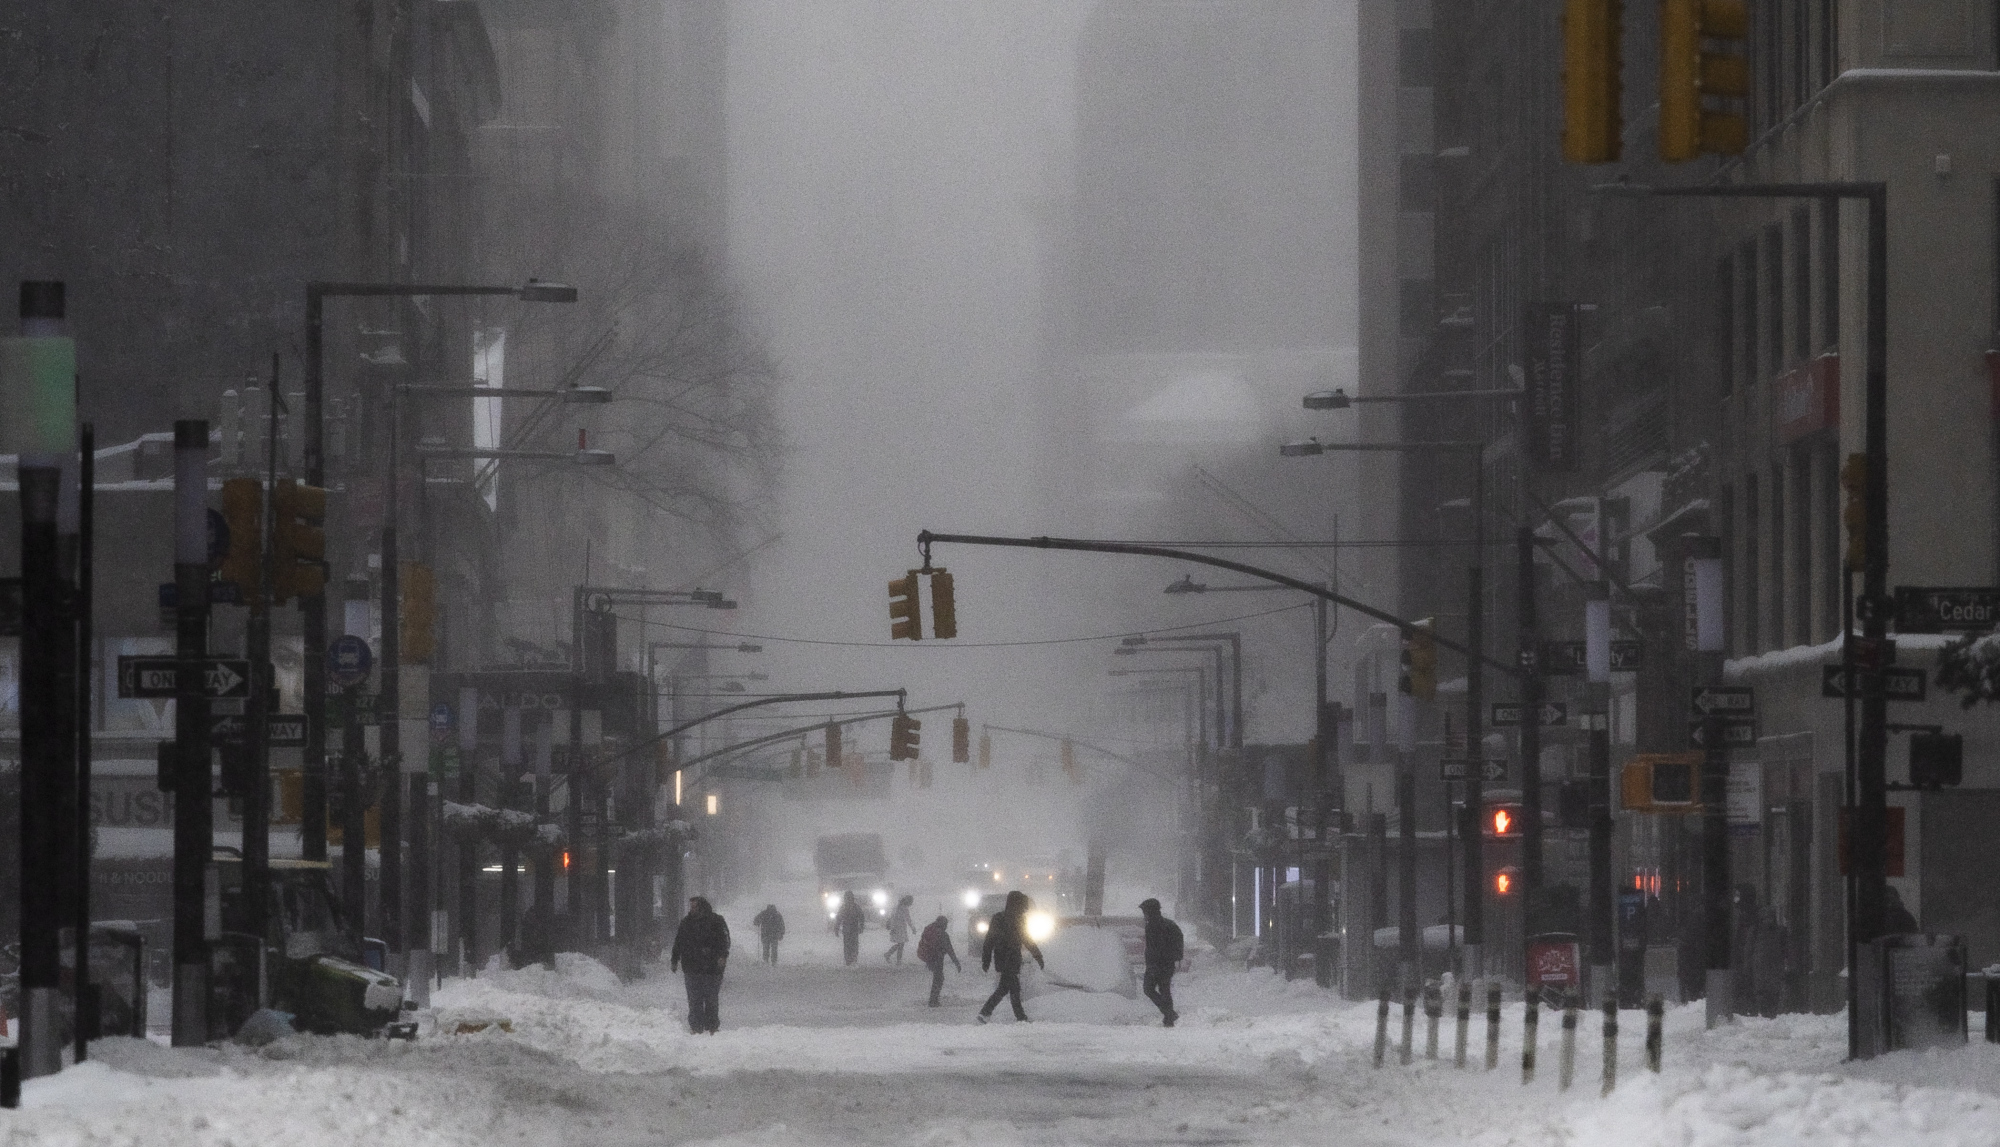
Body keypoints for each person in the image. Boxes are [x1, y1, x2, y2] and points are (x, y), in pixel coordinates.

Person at [977, 890, 1044, 1023]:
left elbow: (989, 941)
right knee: (1013, 989)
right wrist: (1038, 956)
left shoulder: (998, 918)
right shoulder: (1018, 920)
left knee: (1005, 988)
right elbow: (1027, 940)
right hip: (1011, 959)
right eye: (1023, 906)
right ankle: (1019, 1017)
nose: (1024, 910)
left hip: (1003, 958)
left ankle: (986, 1013)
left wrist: (986, 960)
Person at [669, 896, 731, 1034]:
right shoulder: (686, 923)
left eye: (694, 907)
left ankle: (712, 1025)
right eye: (691, 907)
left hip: (712, 968)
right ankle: (696, 1026)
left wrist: (722, 956)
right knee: (694, 999)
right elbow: (679, 942)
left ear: (702, 907)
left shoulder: (716, 921)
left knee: (711, 998)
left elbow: (724, 940)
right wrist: (674, 959)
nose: (691, 909)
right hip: (691, 967)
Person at [1139, 897, 1184, 1027]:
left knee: (1148, 989)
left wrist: (1152, 963)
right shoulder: (1169, 924)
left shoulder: (1153, 926)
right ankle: (1169, 1017)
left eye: (1145, 912)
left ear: (1150, 911)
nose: (1144, 915)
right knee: (1165, 990)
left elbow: (1153, 948)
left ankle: (1169, 1014)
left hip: (1156, 964)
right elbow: (1179, 940)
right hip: (1167, 964)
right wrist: (1176, 957)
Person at [916, 914, 962, 1007]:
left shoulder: (930, 929)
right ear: (943, 924)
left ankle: (933, 999)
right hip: (937, 958)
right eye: (946, 924)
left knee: (938, 978)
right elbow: (950, 950)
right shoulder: (943, 935)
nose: (946, 926)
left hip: (929, 957)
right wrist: (956, 963)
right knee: (938, 979)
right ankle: (933, 1000)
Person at [835, 890, 867, 966]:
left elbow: (839, 919)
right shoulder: (855, 907)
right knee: (853, 944)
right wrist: (861, 926)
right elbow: (861, 917)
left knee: (848, 945)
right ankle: (852, 959)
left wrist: (836, 928)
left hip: (848, 929)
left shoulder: (844, 907)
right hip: (853, 928)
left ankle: (849, 959)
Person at [884, 894, 915, 964]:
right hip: (899, 928)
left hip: (898, 928)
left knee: (900, 944)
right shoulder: (903, 909)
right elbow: (908, 920)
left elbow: (892, 918)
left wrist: (892, 927)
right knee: (901, 944)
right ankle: (896, 959)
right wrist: (913, 928)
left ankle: (890, 955)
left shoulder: (897, 907)